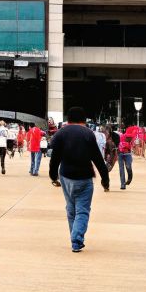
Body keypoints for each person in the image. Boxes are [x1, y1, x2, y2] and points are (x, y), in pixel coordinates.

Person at [48, 107, 108, 252]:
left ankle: (74, 238)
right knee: (82, 211)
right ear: (83, 120)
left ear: (68, 119)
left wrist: (53, 176)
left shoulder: (60, 133)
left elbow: (55, 157)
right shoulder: (88, 133)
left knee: (71, 209)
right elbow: (97, 158)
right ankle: (77, 239)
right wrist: (105, 178)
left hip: (66, 177)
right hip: (84, 177)